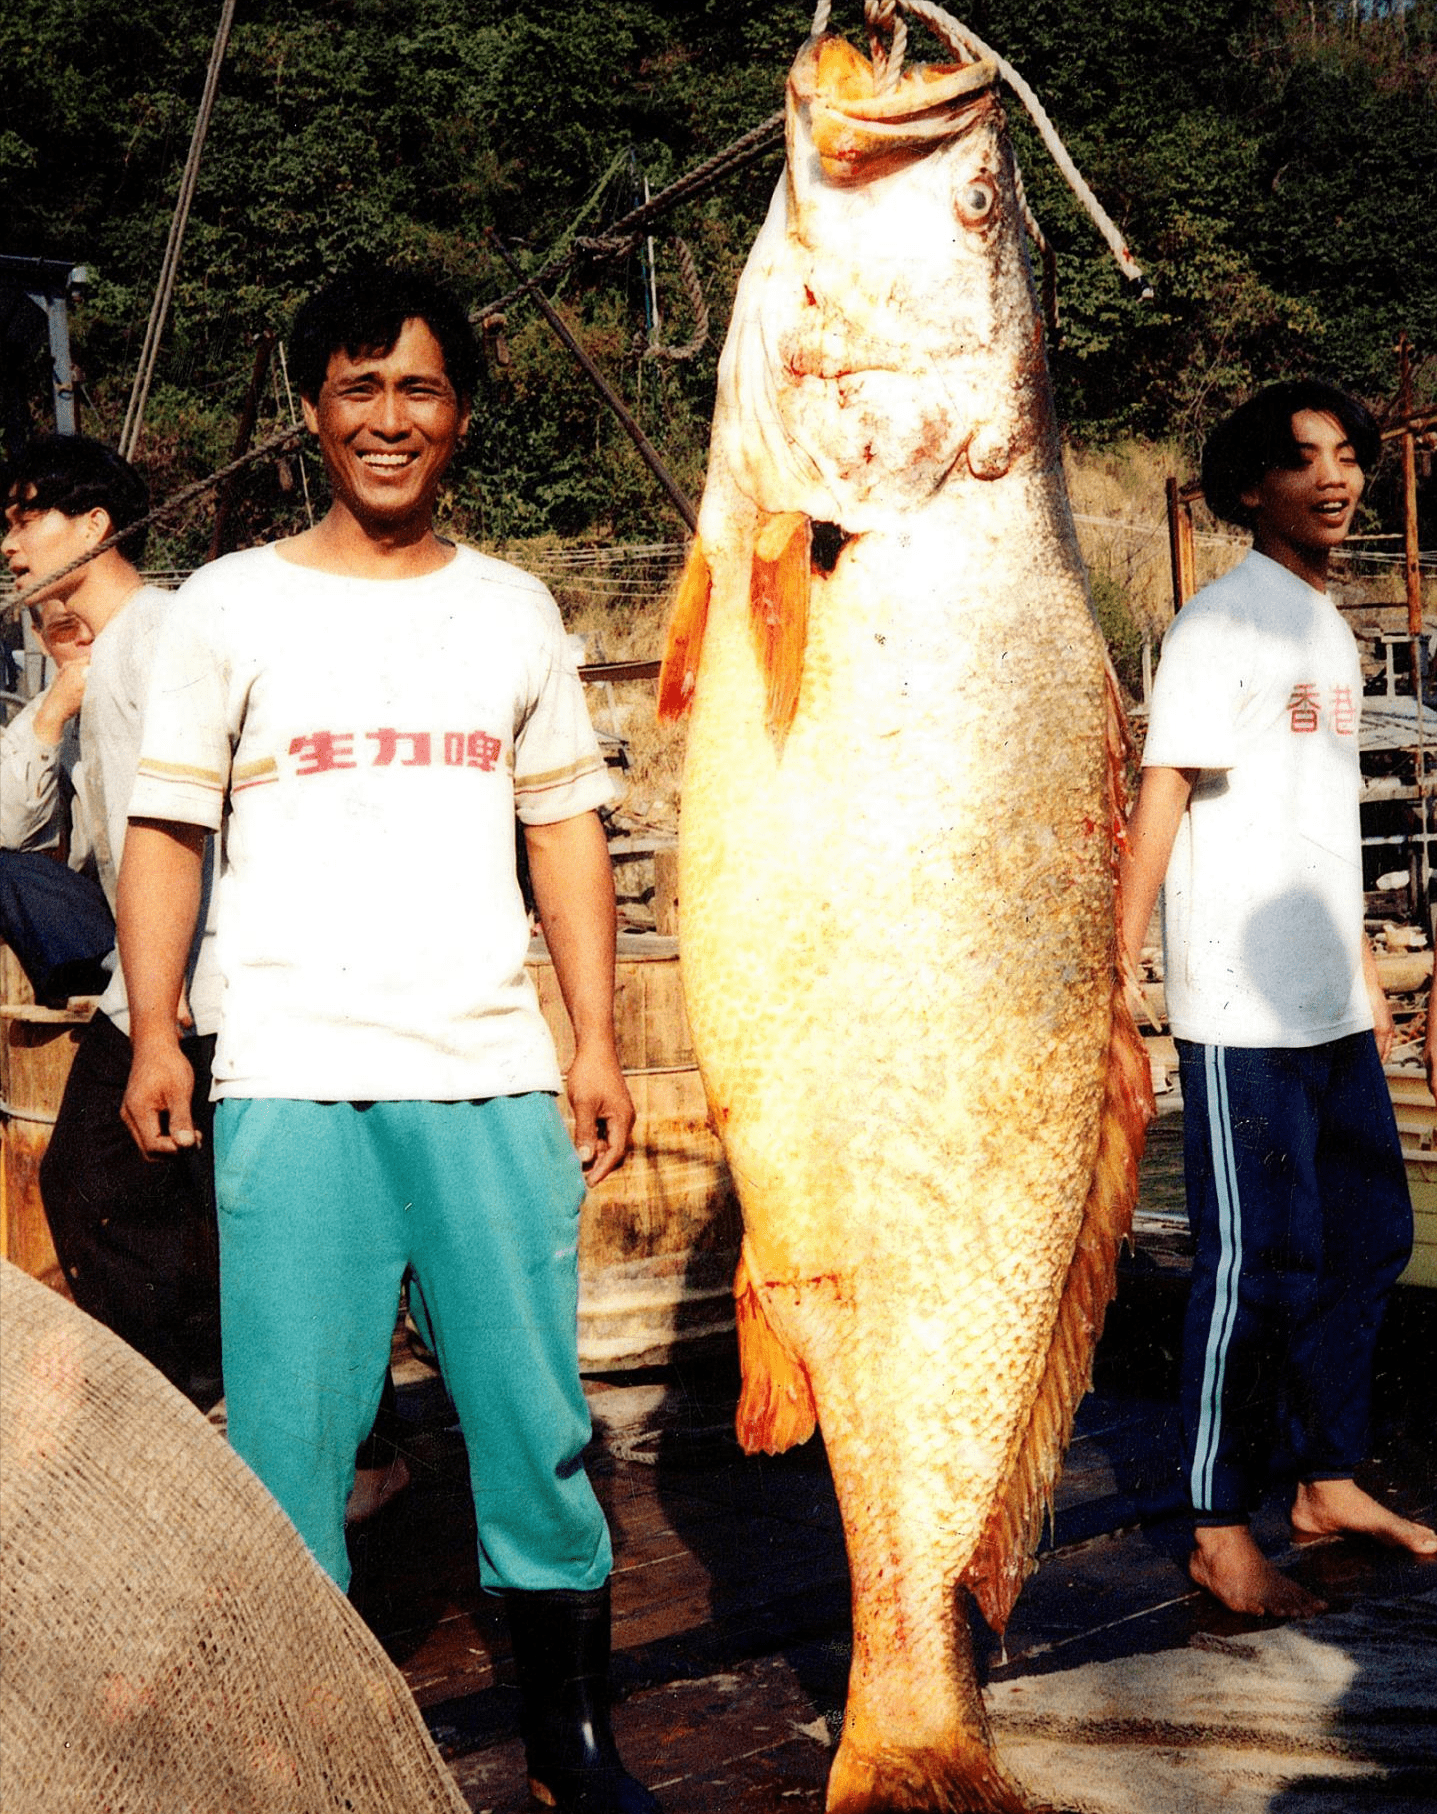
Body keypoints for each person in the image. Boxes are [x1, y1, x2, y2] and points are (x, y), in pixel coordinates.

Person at [117, 267, 658, 1814]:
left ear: (460, 414)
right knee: (290, 1435)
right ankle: (295, 1744)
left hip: (485, 1073)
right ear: (310, 412)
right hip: (290, 1071)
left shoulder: (513, 610)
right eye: (357, 389)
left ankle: (573, 1734)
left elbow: (562, 833)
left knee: (536, 1424)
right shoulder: (228, 603)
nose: (388, 419)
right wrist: (161, 1031)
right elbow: (167, 830)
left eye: (417, 389)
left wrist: (594, 1041)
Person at [1120, 379, 1437, 1618]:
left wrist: (1361, 960)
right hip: (1240, 1014)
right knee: (1253, 1263)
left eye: (1350, 456)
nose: (1338, 478)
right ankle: (1215, 1521)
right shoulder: (1220, 625)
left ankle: (1324, 1478)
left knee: (1369, 1239)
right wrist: (1119, 970)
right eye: (1304, 460)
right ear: (1252, 485)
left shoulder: (1330, 628)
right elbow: (1160, 796)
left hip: (1328, 1005)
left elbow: (1316, 820)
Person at [1, 436, 224, 1408]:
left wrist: (161, 1019)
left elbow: (171, 837)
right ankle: (204, 1392)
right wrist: (57, 704)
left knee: (96, 1184)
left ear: (94, 526)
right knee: (167, 1200)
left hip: (192, 980)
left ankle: (175, 1405)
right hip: (153, 975)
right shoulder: (101, 657)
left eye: (25, 517)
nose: (8, 544)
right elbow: (12, 830)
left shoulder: (162, 634)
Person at [0, 593, 115, 1004]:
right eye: (66, 630)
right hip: (91, 912)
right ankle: (97, 974)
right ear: (40, 637)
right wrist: (52, 720)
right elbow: (11, 837)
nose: (88, 639)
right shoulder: (32, 723)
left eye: (97, 621)